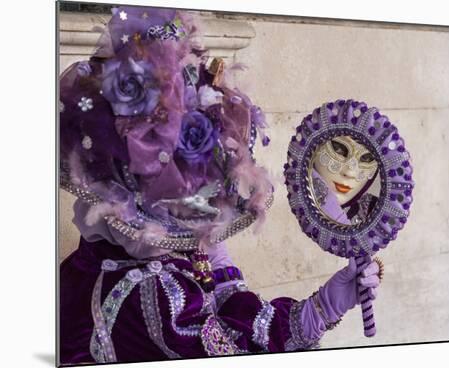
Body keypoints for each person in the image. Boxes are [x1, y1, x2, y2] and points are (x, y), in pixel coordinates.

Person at [59, 5, 380, 364]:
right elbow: (233, 347)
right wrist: (319, 311)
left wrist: (321, 305)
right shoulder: (151, 293)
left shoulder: (99, 262)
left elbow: (228, 298)